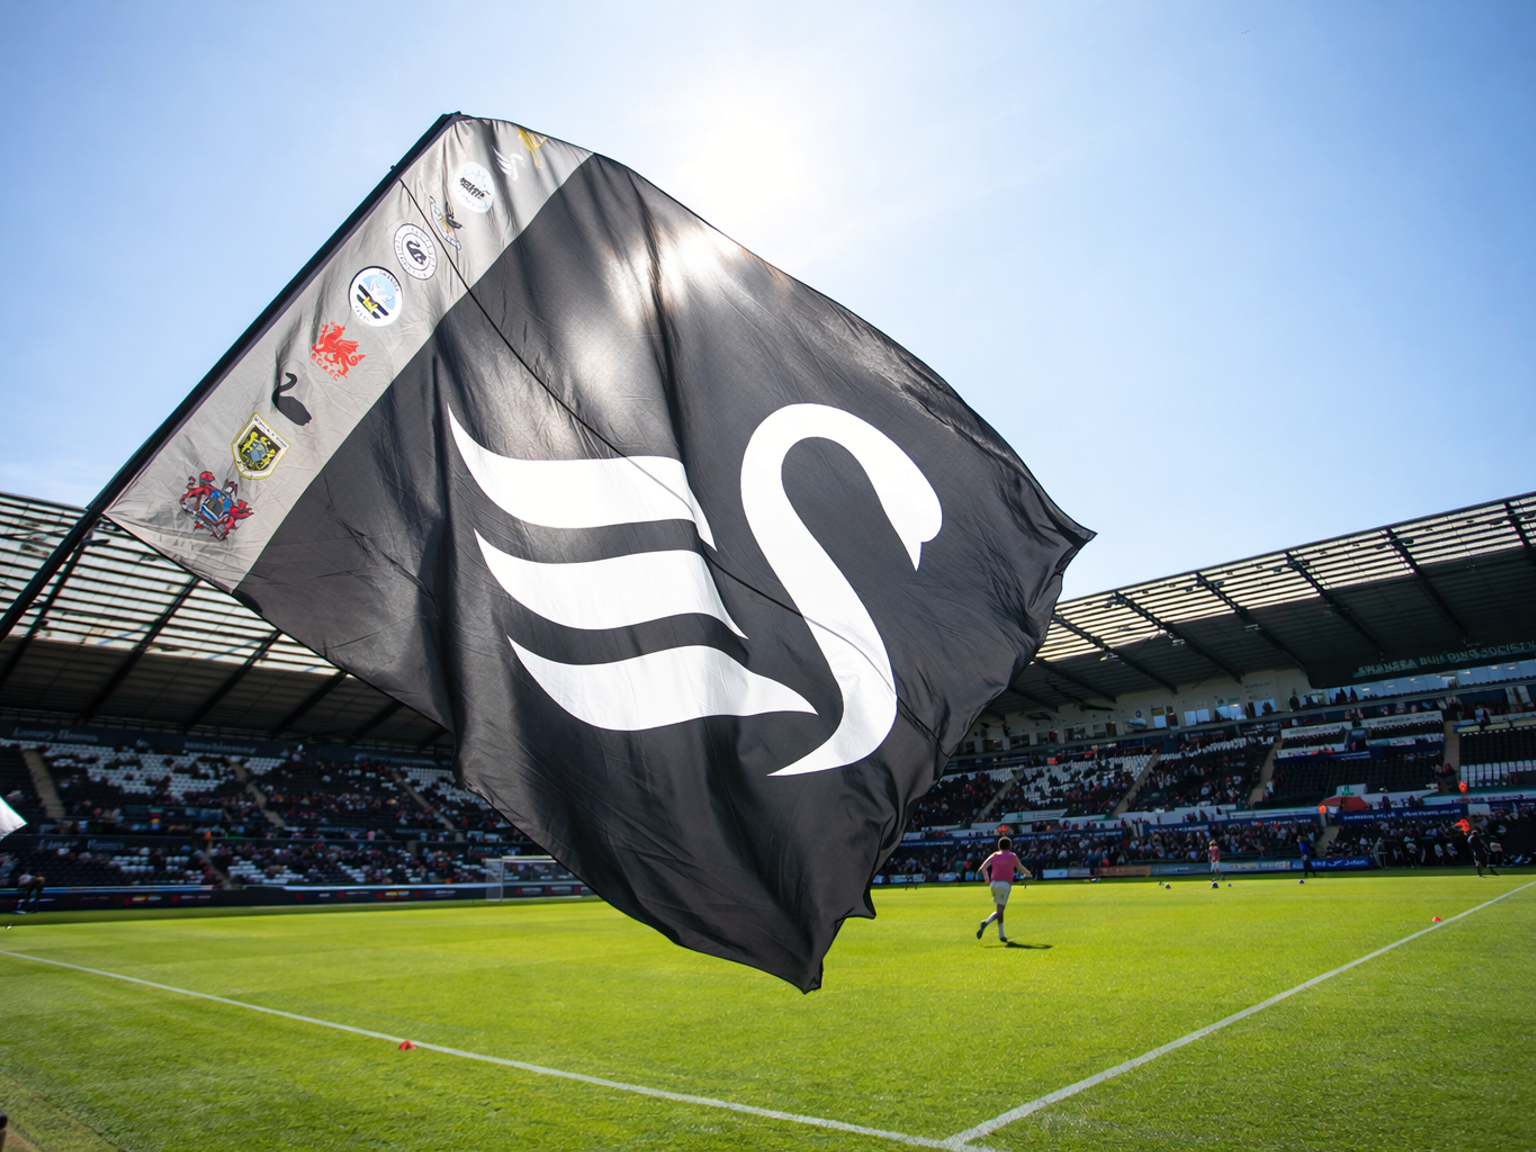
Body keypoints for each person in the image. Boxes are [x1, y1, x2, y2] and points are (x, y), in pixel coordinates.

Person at [975, 836, 1031, 943]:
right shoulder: (1012, 856)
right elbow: (1020, 867)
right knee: (1000, 910)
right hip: (1004, 884)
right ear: (1009, 846)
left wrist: (987, 879)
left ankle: (995, 930)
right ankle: (993, 928)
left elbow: (983, 868)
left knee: (1000, 910)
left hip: (993, 884)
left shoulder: (994, 855)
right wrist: (1028, 873)